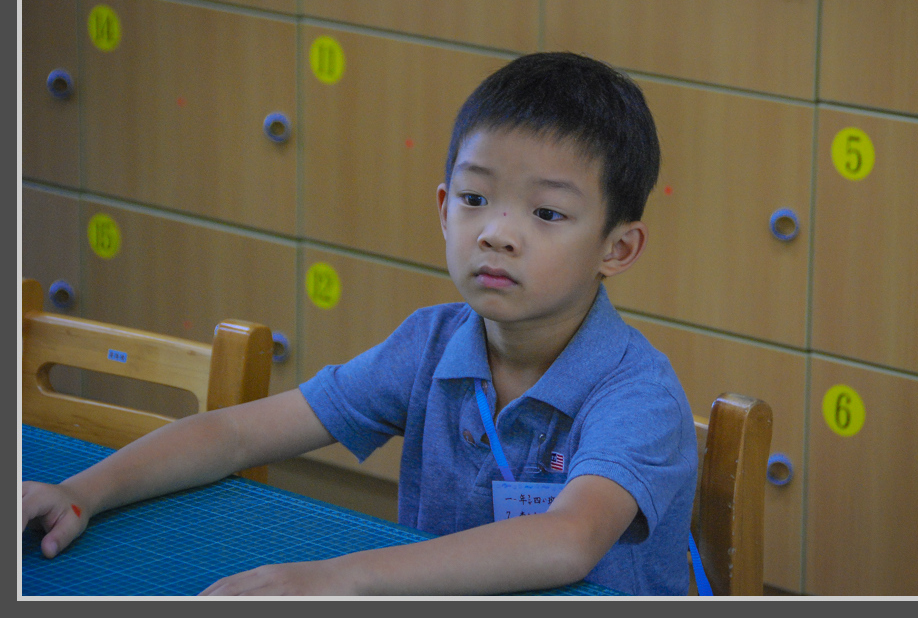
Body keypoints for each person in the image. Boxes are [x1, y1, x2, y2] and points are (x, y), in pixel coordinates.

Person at [21, 52, 698, 596]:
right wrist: (81, 492)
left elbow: (568, 539)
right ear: (444, 209)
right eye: (474, 197)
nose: (497, 233)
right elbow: (234, 433)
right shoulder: (430, 345)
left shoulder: (638, 393)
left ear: (618, 248)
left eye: (546, 213)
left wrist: (341, 576)